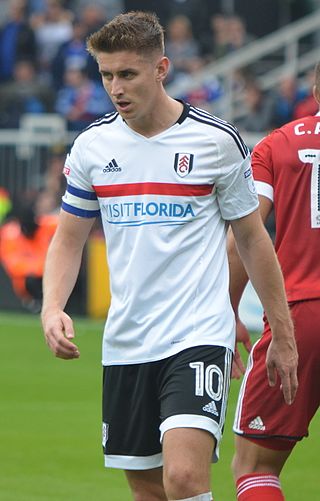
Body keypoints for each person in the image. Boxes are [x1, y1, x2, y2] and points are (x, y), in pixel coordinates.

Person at [40, 11, 298, 501]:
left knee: (183, 478)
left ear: (161, 69)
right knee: (149, 490)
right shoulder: (93, 146)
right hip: (127, 339)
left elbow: (252, 237)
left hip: (197, 332)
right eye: (106, 75)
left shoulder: (216, 142)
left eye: (128, 74)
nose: (116, 87)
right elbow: (68, 238)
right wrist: (53, 306)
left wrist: (281, 334)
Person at [228, 62, 320, 500]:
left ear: (315, 90)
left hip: (303, 315)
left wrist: (227, 310)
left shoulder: (277, 144)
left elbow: (244, 236)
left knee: (255, 466)